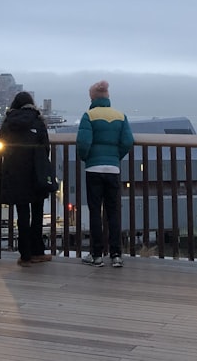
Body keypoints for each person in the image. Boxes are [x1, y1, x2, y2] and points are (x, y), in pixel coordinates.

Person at [76, 80, 134, 268]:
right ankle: (116, 254)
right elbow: (127, 141)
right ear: (108, 97)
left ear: (92, 97)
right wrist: (116, 157)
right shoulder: (120, 116)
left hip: (94, 169)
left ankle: (96, 255)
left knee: (95, 211)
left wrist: (87, 158)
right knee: (113, 212)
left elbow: (83, 143)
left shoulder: (89, 116)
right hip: (113, 169)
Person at [0, 91, 52, 266]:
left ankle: (25, 255)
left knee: (22, 213)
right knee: (37, 212)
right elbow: (45, 146)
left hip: (15, 171)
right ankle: (38, 251)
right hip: (36, 171)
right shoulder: (38, 120)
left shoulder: (9, 121)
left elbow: (3, 144)